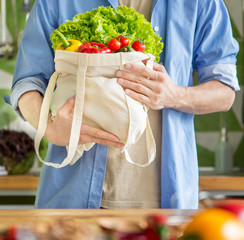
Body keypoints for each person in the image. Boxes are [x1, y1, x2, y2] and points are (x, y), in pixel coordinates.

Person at [6, 0, 239, 209]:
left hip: (167, 203)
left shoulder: (202, 3)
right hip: (72, 198)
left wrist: (174, 95)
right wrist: (49, 127)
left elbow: (224, 92)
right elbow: (27, 82)